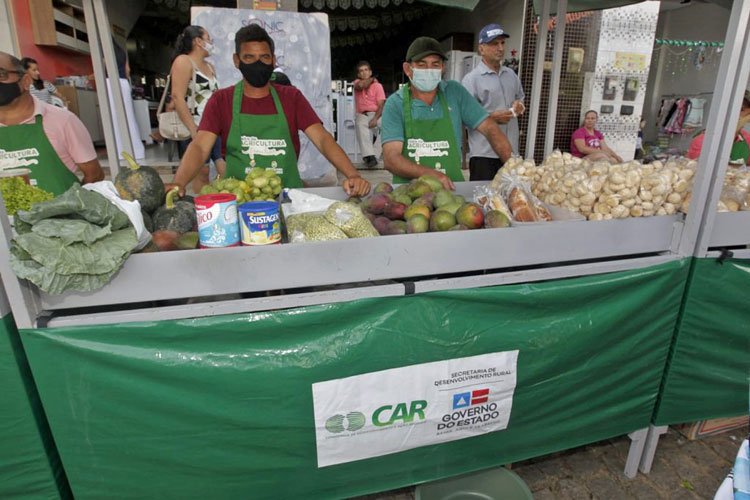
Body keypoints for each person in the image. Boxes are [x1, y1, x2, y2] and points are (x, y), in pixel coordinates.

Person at [168, 25, 369, 197]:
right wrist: (179, 182)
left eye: (264, 57)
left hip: (288, 198)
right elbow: (200, 147)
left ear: (273, 61)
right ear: (236, 61)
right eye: (249, 57)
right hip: (240, 202)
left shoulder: (292, 97)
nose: (258, 63)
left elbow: (323, 139)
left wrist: (353, 174)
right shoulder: (221, 100)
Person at [381, 37, 512, 189]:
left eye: (435, 64)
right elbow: (391, 159)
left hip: (452, 190)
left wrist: (513, 166)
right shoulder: (395, 104)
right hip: (409, 195)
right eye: (422, 65)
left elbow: (489, 127)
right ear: (408, 68)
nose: (429, 70)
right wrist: (433, 174)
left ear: (443, 68)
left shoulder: (455, 92)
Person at [0, 52, 104, 195]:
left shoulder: (63, 120)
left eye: (1, 74)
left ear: (25, 81)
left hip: (60, 215)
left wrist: (75, 206)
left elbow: (95, 175)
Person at [462, 23, 525, 179]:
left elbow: (520, 98)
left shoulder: (511, 75)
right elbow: (465, 117)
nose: (500, 48)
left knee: (509, 198)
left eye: (502, 43)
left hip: (511, 153)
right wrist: (492, 117)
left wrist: (519, 106)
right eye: (494, 43)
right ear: (481, 49)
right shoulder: (472, 80)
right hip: (484, 154)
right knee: (482, 199)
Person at [169, 25, 225, 193]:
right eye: (208, 39)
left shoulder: (210, 67)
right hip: (196, 126)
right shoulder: (184, 61)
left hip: (216, 126)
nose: (211, 43)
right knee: (202, 171)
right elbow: (177, 96)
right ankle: (204, 207)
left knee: (223, 167)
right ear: (198, 41)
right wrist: (192, 128)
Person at [106, 38, 145, 161]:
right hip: (123, 83)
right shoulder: (121, 51)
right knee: (128, 117)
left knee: (113, 119)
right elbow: (128, 71)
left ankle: (119, 152)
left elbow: (100, 67)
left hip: (110, 83)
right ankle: (136, 150)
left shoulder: (104, 51)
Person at [687, 91, 750, 164]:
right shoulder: (704, 140)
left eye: (741, 110)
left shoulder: (747, 139)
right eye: (731, 109)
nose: (736, 114)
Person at [353, 61, 385, 169]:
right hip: (362, 114)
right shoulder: (357, 83)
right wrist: (372, 79)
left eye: (366, 70)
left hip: (376, 114)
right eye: (361, 71)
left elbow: (381, 105)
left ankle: (374, 155)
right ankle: (368, 156)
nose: (364, 73)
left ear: (370, 72)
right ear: (358, 75)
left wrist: (375, 119)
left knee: (389, 126)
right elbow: (362, 85)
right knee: (360, 124)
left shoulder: (378, 86)